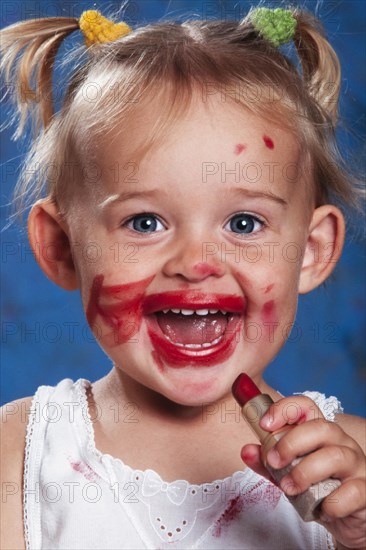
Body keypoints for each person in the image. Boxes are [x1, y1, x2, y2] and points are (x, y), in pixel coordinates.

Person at [0, 6, 365, 550]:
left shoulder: (353, 469)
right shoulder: (19, 456)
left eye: (244, 223)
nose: (196, 262)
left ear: (310, 251)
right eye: (144, 222)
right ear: (63, 248)